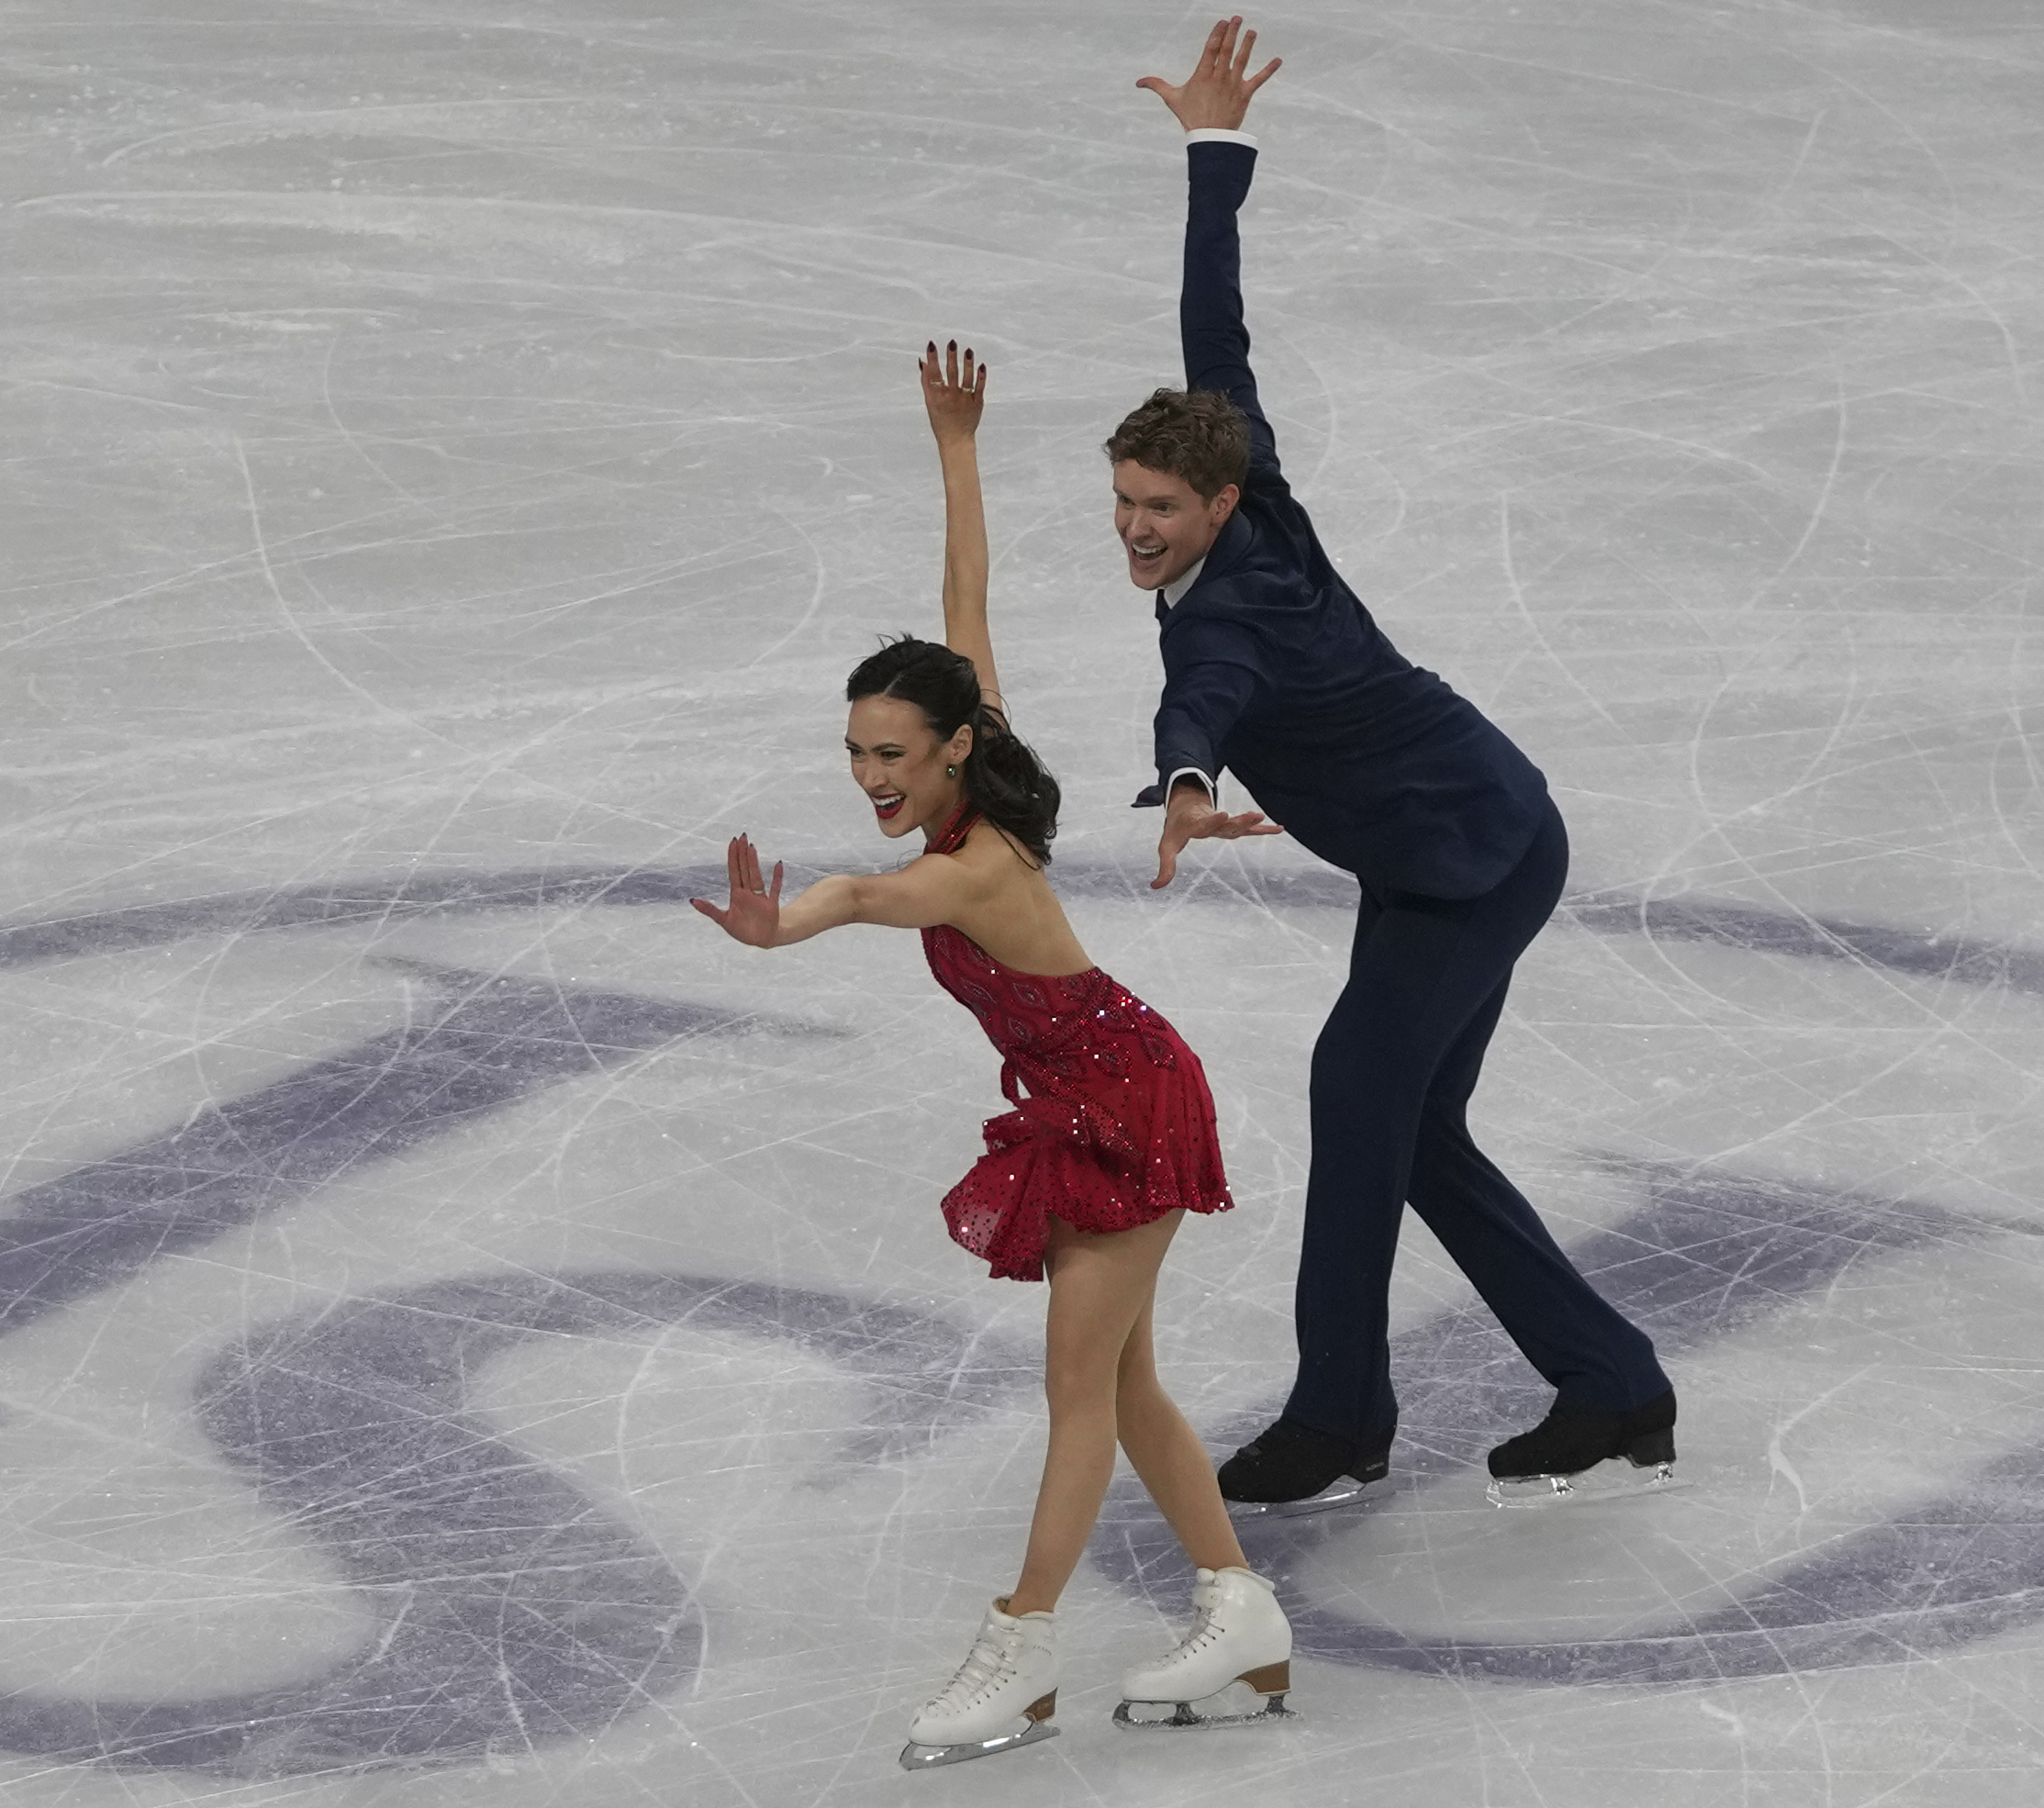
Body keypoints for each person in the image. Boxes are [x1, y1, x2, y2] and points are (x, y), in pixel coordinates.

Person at [692, 342, 1297, 1769]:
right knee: (1127, 1383)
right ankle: (1240, 1612)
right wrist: (958, 447)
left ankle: (1021, 1650)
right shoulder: (987, 769)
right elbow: (968, 602)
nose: (871, 777)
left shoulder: (962, 871)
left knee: (1077, 1390)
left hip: (1125, 1099)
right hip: (1098, 1087)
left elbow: (861, 897)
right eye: (854, 752)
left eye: (893, 753)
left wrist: (790, 925)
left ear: (954, 749)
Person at [1122, 19, 1680, 1515]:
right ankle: (1612, 1382)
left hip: (1473, 856)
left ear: (1217, 500)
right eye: (1123, 499)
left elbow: (1207, 701)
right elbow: (1214, 336)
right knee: (1410, 1126)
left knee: (1361, 1092)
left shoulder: (1226, 617)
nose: (1135, 526)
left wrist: (1183, 784)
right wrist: (1210, 152)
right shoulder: (1259, 500)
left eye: (1160, 506)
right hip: (1470, 831)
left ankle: (1339, 1415)